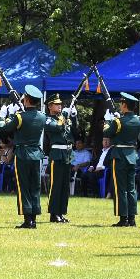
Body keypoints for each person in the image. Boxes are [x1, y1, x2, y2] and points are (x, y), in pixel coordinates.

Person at [0, 86, 50, 228]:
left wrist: (4, 118)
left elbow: (5, 129)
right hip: (36, 154)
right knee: (35, 186)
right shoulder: (42, 116)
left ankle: (28, 220)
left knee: (24, 186)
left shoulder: (20, 117)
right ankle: (34, 218)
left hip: (22, 154)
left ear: (26, 99)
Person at [103, 93, 140, 227]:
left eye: (121, 104)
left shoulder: (118, 121)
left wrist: (108, 121)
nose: (120, 106)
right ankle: (132, 218)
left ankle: (123, 218)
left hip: (119, 155)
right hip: (132, 154)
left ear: (124, 106)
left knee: (120, 188)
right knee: (131, 188)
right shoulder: (138, 120)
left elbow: (107, 133)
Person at [41, 94, 76, 223]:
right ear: (50, 106)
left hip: (67, 154)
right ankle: (54, 213)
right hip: (56, 154)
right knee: (56, 185)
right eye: (57, 104)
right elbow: (57, 128)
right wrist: (64, 118)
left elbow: (74, 132)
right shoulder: (48, 119)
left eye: (60, 104)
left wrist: (73, 116)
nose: (60, 106)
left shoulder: (63, 118)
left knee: (65, 186)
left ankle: (61, 212)